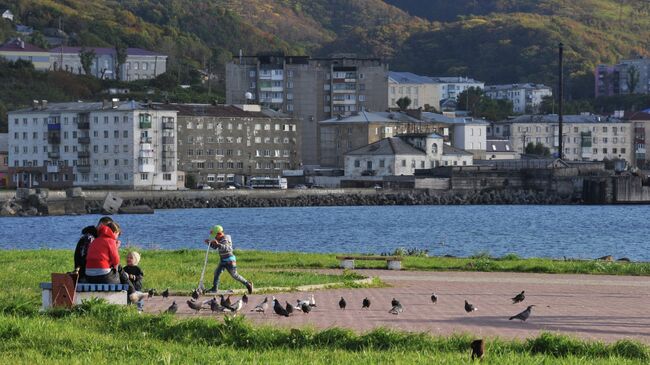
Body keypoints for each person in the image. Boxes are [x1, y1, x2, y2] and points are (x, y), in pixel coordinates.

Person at [204, 225, 253, 294]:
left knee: (235, 275)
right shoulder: (219, 239)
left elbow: (227, 248)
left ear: (219, 234)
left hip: (230, 261)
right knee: (216, 273)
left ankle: (248, 284)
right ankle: (214, 288)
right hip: (223, 261)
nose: (215, 237)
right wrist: (209, 243)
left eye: (215, 236)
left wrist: (218, 244)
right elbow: (216, 247)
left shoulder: (226, 238)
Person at [72, 217, 114, 281]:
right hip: (85, 274)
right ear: (101, 225)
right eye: (108, 227)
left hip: (90, 273)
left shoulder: (96, 238)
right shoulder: (90, 238)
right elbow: (85, 259)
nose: (108, 231)